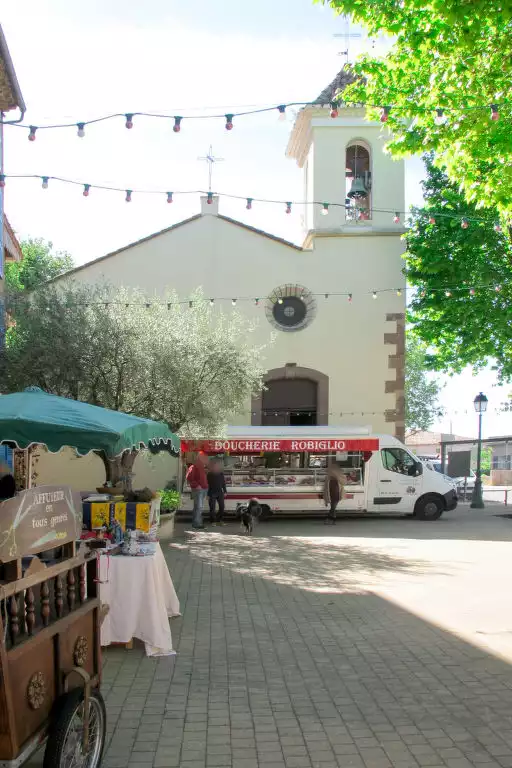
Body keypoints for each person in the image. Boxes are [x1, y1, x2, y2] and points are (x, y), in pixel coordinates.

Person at [186, 452, 208, 530]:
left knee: (198, 507)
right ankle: (197, 524)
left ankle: (197, 522)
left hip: (202, 489)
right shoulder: (194, 466)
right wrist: (197, 485)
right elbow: (189, 477)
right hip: (199, 490)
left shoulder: (201, 465)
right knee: (199, 507)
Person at [207, 459, 227, 526]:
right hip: (212, 493)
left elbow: (223, 483)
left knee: (222, 507)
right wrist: (207, 494)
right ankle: (213, 521)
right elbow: (208, 485)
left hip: (220, 492)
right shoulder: (209, 474)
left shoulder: (221, 474)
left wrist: (225, 491)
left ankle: (219, 520)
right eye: (215, 466)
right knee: (212, 508)